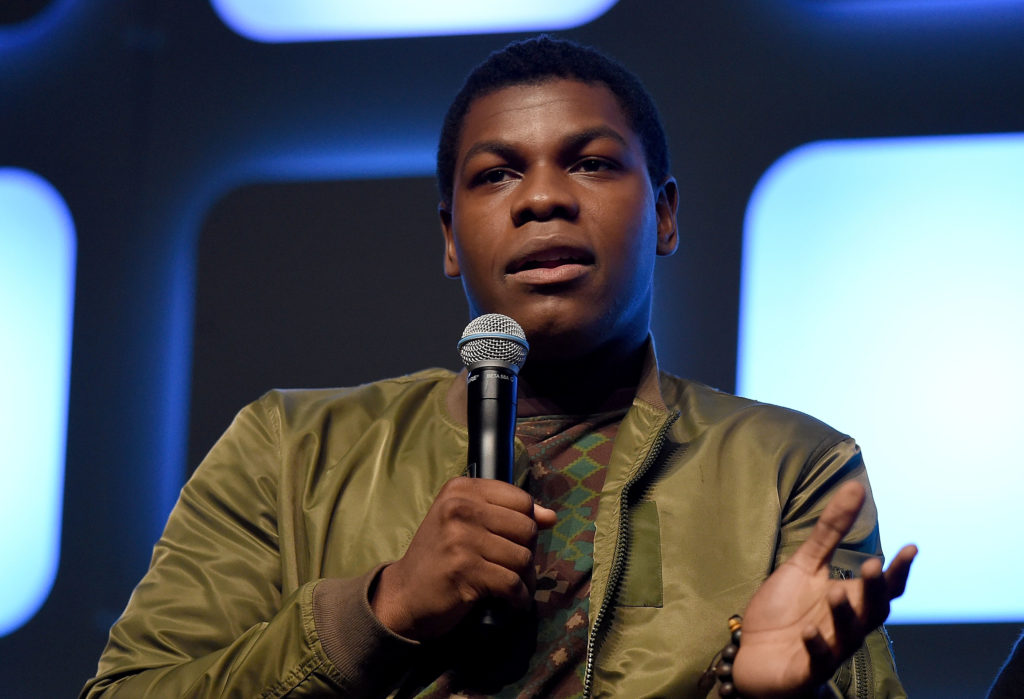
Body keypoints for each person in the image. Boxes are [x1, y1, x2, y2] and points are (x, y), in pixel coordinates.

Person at [81, 36, 916, 698]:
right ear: (450, 237)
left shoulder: (792, 466)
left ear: (664, 214)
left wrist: (769, 695)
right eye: (497, 173)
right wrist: (384, 608)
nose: (542, 197)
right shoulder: (287, 449)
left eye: (590, 162)